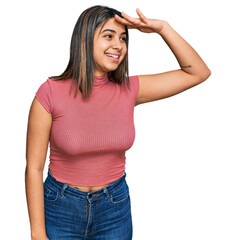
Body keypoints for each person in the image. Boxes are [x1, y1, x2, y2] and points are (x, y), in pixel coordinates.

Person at [25, 5, 211, 240]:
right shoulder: (50, 92)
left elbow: (198, 73)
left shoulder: (129, 89)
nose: (118, 45)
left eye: (123, 38)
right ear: (84, 40)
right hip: (61, 208)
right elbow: (34, 168)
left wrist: (163, 28)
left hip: (114, 208)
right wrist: (37, 233)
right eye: (108, 36)